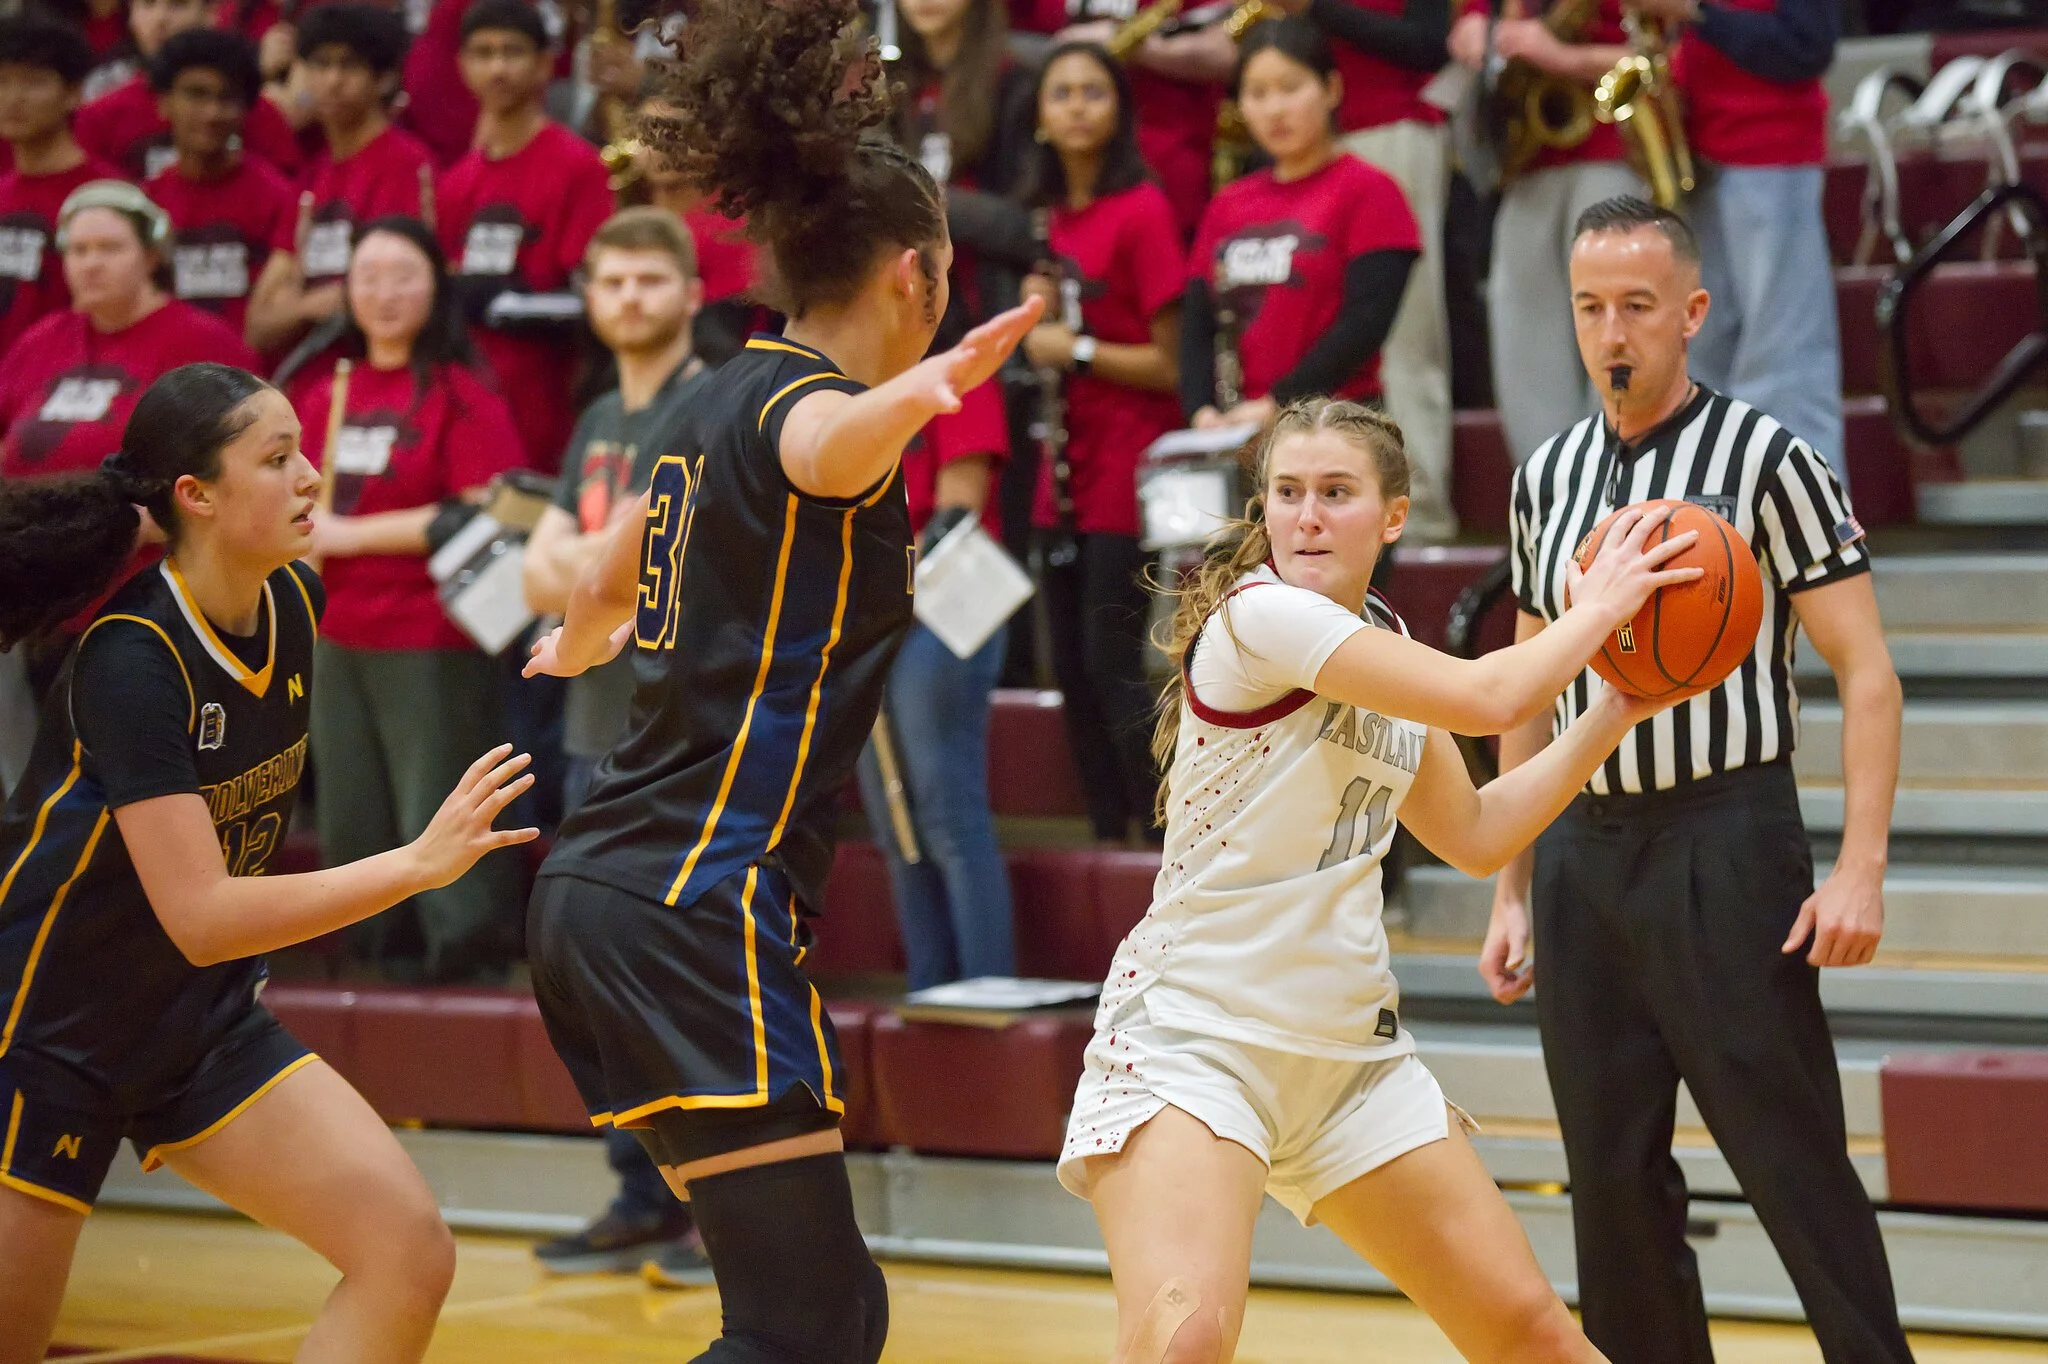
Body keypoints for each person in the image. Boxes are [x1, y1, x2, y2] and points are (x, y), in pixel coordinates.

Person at [521, 1, 1041, 1358]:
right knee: (804, 1325)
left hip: (614, 887)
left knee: (825, 1315)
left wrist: (586, 629)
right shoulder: (813, 409)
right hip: (691, 899)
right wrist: (920, 398)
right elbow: (828, 448)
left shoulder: (703, 400)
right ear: (917, 276)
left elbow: (608, 566)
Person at [1057, 396, 1700, 1364]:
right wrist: (1601, 608)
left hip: (1347, 1059)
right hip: (1198, 1044)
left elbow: (1475, 834)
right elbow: (1492, 696)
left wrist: (1614, 707)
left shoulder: (1381, 636)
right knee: (1184, 1339)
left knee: (1532, 1334)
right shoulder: (1262, 619)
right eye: (1286, 493)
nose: (1306, 516)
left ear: (1393, 516)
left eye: (1335, 492)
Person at [0, 361, 537, 1364]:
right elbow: (201, 914)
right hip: (44, 1034)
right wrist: (415, 865)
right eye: (278, 457)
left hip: (192, 1022)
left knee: (405, 1252)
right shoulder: (131, 660)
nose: (311, 476)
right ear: (196, 495)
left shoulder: (294, 598)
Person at [1485, 196, 1910, 1363]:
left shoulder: (1767, 459)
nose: (1609, 331)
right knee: (1608, 1181)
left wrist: (1858, 869)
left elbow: (1866, 672)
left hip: (1725, 838)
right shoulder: (1544, 476)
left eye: (1635, 305)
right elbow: (1521, 685)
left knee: (1792, 1161)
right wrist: (1508, 886)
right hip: (1579, 851)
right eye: (1587, 307)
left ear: (1691, 312)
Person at [521, 206, 716, 1285]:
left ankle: (717, 1210)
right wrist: (593, 563)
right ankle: (641, 1195)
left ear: (692, 292)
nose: (630, 297)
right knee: (604, 975)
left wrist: (582, 563)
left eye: (650, 279)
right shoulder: (599, 414)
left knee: (681, 975)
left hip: (676, 735)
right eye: (612, 281)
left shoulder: (710, 404)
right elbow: (536, 573)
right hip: (587, 726)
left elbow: (632, 566)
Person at [295, 216, 530, 984]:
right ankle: (376, 968)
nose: (385, 292)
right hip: (335, 632)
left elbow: (483, 509)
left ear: (436, 286)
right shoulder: (324, 389)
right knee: (354, 811)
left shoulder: (462, 390)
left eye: (404, 275)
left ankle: (468, 964)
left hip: (432, 633)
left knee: (439, 804)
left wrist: (348, 534)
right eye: (368, 276)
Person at [1016, 39, 1184, 845]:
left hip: (1125, 463)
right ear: (1039, 116)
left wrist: (1075, 348)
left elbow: (1170, 364)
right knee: (1072, 673)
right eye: (1062, 93)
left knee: (1111, 658)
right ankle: (1106, 835)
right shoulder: (1039, 219)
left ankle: (1160, 838)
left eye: (1094, 90)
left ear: (1119, 109)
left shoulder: (1142, 208)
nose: (1078, 106)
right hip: (1061, 466)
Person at [1270, 0, 1456, 540]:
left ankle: (1417, 509)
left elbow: (1430, 44)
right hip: (1313, 144)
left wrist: (1315, 7)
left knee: (1406, 336)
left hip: (1389, 127)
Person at [853, 377, 1017, 990]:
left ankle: (985, 991)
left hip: (947, 602)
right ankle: (930, 990)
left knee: (947, 809)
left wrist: (865, 582)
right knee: (893, 819)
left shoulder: (962, 376)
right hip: (864, 615)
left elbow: (957, 512)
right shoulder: (838, 387)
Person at [1181, 20, 1419, 433]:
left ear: (1332, 89)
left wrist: (1280, 404)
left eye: (1290, 88)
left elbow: (1365, 324)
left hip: (1339, 422)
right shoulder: (1228, 203)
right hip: (1240, 430)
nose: (1274, 109)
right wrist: (1201, 411)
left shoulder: (1371, 190)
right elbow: (1198, 322)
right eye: (1257, 93)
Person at [1652, 0, 1845, 480]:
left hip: (1769, 154)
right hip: (1697, 158)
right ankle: (1719, 511)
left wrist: (1695, 10)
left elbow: (1806, 47)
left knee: (1785, 361)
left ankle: (1806, 515)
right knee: (1701, 359)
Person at [1448, 0, 1636, 465]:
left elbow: (1667, 57)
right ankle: (1550, 486)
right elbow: (1473, 20)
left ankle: (1625, 483)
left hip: (1614, 150)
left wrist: (1563, 57)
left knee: (1619, 334)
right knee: (1523, 341)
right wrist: (1476, 30)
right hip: (1527, 161)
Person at [435, 0, 612, 472]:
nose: (497, 68)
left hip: (550, 396)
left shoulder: (579, 167)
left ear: (544, 64)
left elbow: (593, 294)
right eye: (483, 53)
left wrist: (500, 301)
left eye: (512, 52)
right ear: (462, 65)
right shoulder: (455, 183)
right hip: (472, 399)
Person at [0, 181, 259, 482]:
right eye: (78, 250)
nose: (91, 264)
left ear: (151, 256)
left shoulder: (203, 342)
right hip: (26, 508)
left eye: (110, 248)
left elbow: (237, 454)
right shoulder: (41, 339)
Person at [247, 3, 430, 356]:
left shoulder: (406, 165)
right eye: (321, 64)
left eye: (350, 65)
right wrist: (310, 305)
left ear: (384, 78)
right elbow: (258, 325)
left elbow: (393, 293)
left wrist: (297, 304)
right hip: (312, 374)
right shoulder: (312, 175)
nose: (333, 80)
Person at [143, 28, 296, 344]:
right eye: (196, 95)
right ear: (163, 103)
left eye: (226, 99)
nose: (212, 113)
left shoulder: (277, 196)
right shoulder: (148, 201)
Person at [1031, 0, 1228, 239]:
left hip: (1166, 166)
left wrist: (1127, 41)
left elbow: (1229, 52)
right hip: (1060, 173)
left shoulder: (1147, 206)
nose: (1077, 107)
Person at [0, 12, 122, 357]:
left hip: (64, 372)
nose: (13, 98)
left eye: (33, 82)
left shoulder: (108, 196)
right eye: (2, 81)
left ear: (73, 93)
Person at [73, 0, 303, 181]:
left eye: (178, 4)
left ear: (212, 13)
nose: (160, 19)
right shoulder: (99, 117)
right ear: (130, 16)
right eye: (148, 4)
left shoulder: (254, 111)